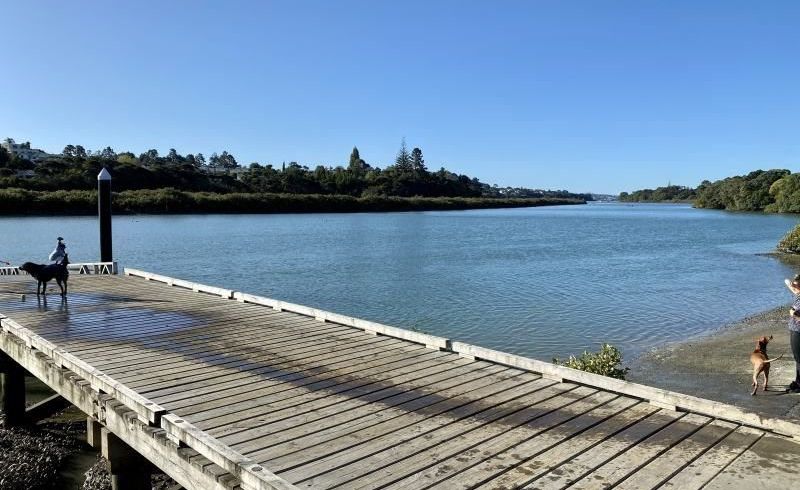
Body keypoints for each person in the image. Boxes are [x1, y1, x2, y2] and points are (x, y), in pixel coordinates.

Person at [784, 275, 800, 392]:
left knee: (798, 357)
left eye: (796, 285)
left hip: (798, 331)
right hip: (795, 330)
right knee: (797, 357)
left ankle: (799, 384)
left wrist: (793, 314)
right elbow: (788, 284)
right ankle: (798, 381)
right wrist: (791, 283)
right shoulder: (798, 294)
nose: (794, 287)